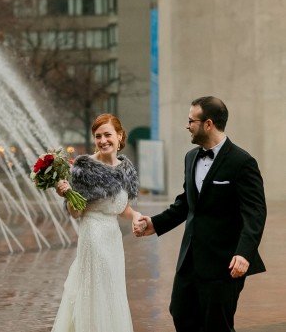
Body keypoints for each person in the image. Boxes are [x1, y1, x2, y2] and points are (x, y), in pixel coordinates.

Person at [134, 96, 267, 332]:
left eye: (190, 121)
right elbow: (187, 202)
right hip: (190, 260)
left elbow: (255, 213)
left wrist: (244, 254)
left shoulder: (242, 161)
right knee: (181, 314)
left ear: (208, 124)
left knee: (217, 325)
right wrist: (155, 223)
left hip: (224, 263)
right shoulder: (190, 157)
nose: (187, 126)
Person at [52, 113, 145, 332]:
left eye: (107, 135)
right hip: (92, 235)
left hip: (113, 237)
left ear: (120, 136)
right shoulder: (84, 169)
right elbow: (75, 213)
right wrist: (68, 195)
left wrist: (134, 216)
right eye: (98, 136)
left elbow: (119, 206)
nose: (103, 140)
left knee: (112, 289)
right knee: (95, 289)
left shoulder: (126, 169)